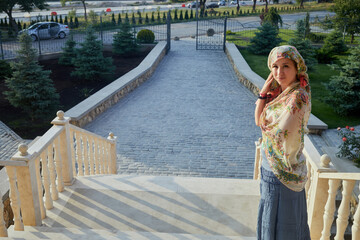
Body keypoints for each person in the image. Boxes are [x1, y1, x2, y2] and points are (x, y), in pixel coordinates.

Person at [254, 45, 311, 240]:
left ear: (297, 68)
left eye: (285, 66)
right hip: (270, 169)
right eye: (274, 67)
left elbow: (276, 132)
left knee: (284, 229)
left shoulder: (297, 98)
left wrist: (263, 105)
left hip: (283, 174)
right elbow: (258, 121)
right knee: (270, 223)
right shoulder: (281, 94)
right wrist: (264, 90)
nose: (279, 72)